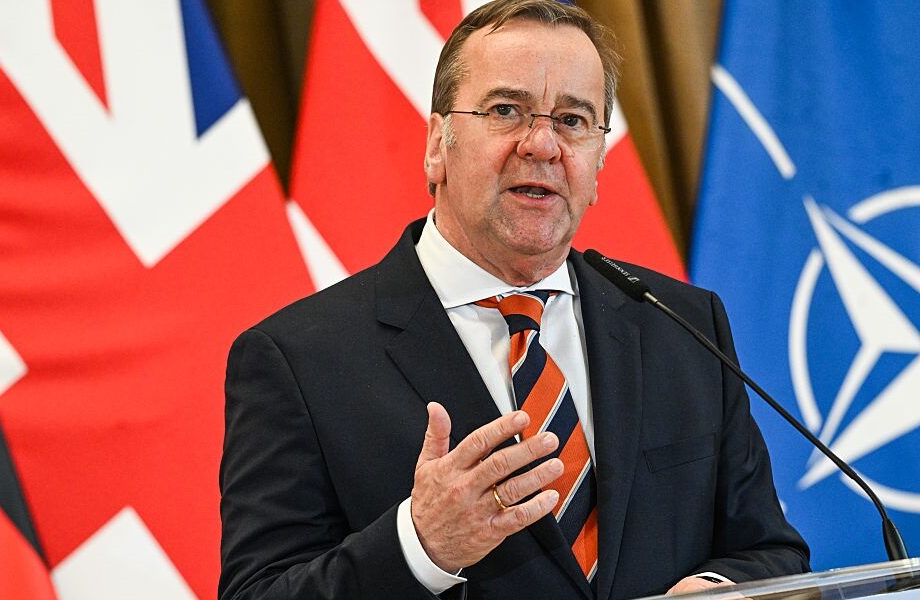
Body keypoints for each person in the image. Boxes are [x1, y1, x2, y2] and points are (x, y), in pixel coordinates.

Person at [218, 1, 809, 599]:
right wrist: (421, 547)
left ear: (599, 160)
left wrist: (717, 589)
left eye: (574, 120)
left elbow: (771, 552)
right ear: (437, 145)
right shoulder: (297, 360)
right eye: (506, 110)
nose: (543, 145)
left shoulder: (682, 324)